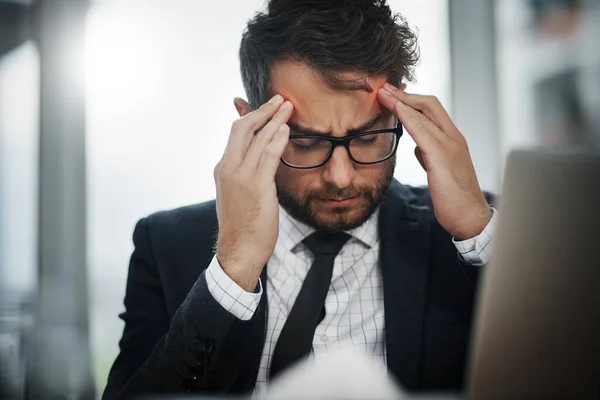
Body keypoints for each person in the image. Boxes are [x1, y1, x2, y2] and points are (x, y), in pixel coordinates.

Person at [102, 0, 497, 398]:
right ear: (250, 124)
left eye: (367, 137)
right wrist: (234, 269)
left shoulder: (468, 235)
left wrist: (476, 229)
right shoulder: (165, 244)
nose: (340, 177)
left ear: (403, 118)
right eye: (306, 141)